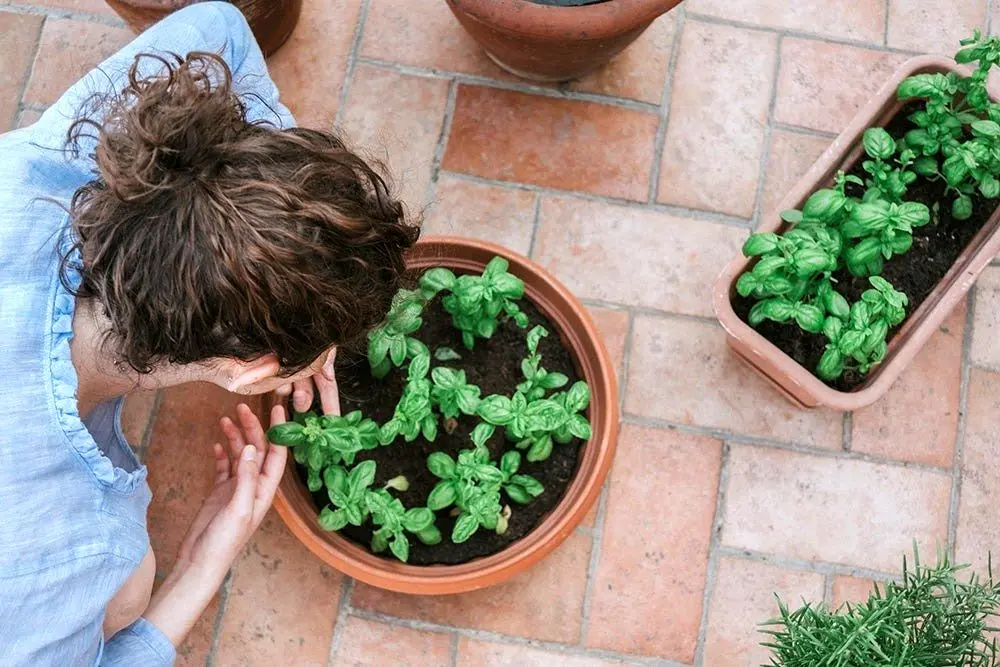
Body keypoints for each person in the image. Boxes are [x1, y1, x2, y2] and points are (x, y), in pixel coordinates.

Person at [0, 3, 419, 664]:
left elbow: (221, 25)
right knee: (129, 587)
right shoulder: (62, 548)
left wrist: (270, 240)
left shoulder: (54, 164)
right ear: (249, 371)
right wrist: (202, 562)